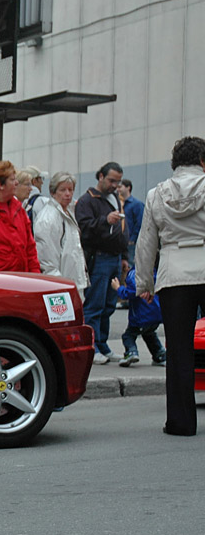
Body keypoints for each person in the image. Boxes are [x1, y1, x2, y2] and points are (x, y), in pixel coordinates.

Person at [135, 136, 205, 436]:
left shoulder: (156, 193)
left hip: (173, 275)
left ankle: (181, 422)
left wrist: (144, 283)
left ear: (175, 162)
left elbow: (146, 242)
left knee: (178, 351)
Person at [76, 161, 127, 364]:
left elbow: (124, 229)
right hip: (99, 258)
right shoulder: (87, 201)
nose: (115, 185)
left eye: (118, 181)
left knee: (108, 305)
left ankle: (102, 343)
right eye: (112, 180)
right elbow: (84, 229)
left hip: (114, 258)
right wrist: (105, 221)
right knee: (94, 304)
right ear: (100, 177)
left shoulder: (114, 198)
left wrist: (124, 256)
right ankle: (93, 345)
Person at [33, 171, 88, 292]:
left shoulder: (68, 211)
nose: (68, 194)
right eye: (62, 190)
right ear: (53, 192)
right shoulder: (48, 219)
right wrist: (58, 285)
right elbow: (47, 260)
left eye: (71, 189)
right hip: (61, 285)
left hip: (72, 281)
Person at [112, 268, 166, 368]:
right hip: (156, 316)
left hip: (141, 316)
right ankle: (160, 355)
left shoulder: (137, 274)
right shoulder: (156, 272)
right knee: (149, 334)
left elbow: (129, 293)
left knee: (128, 336)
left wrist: (118, 288)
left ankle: (131, 352)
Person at [117, 178, 145, 262]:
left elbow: (139, 223)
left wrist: (132, 240)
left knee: (130, 264)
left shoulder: (137, 204)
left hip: (131, 244)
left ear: (128, 187)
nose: (118, 189)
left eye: (120, 187)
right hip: (120, 243)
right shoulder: (118, 204)